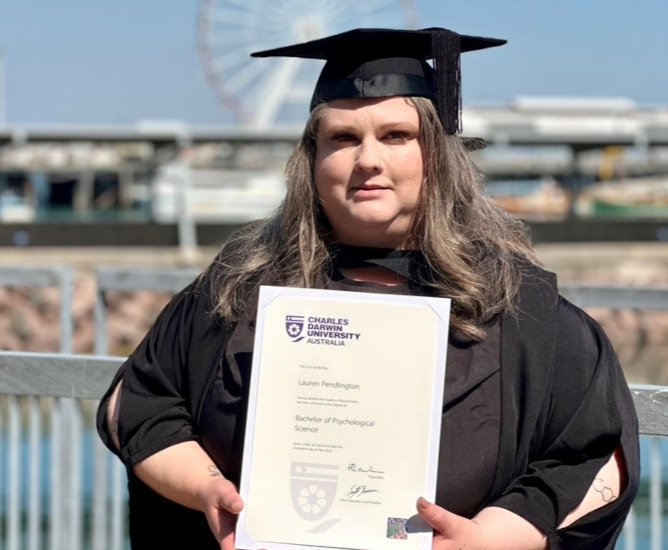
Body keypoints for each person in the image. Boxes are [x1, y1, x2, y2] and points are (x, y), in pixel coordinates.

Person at [97, 27, 639, 550]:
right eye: (343, 138)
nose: (368, 160)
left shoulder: (518, 307)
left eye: (397, 136)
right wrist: (207, 490)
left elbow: (587, 454)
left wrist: (489, 538)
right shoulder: (238, 286)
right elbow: (141, 405)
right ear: (312, 158)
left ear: (438, 153)